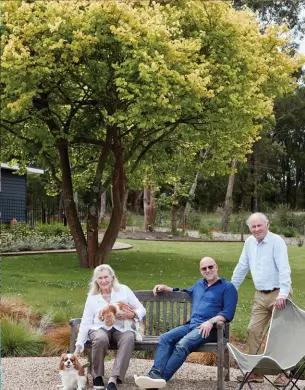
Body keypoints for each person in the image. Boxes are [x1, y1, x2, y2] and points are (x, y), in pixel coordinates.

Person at [134, 256, 238, 389]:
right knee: (165, 338)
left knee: (182, 345)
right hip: (191, 325)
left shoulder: (228, 287)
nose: (208, 270)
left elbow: (228, 313)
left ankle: (159, 380)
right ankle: (155, 373)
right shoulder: (199, 284)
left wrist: (211, 321)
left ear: (216, 267)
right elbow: (185, 291)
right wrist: (166, 288)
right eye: (204, 268)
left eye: (210, 267)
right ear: (201, 271)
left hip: (211, 330)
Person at [231, 212, 292, 386]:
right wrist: (230, 289)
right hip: (260, 295)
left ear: (267, 225)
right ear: (249, 228)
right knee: (253, 330)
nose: (257, 229)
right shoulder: (249, 242)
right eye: (253, 226)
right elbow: (242, 267)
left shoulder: (276, 241)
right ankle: (256, 372)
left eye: (260, 225)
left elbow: (284, 269)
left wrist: (283, 294)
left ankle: (284, 373)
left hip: (277, 293)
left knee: (279, 333)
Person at [74, 264, 146, 390]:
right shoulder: (92, 297)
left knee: (129, 337)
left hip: (122, 327)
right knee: (100, 338)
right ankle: (97, 376)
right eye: (100, 278)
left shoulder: (123, 290)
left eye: (106, 277)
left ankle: (114, 378)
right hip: (99, 327)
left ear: (112, 277)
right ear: (96, 280)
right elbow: (86, 321)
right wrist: (79, 344)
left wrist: (133, 314)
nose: (103, 281)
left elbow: (141, 309)